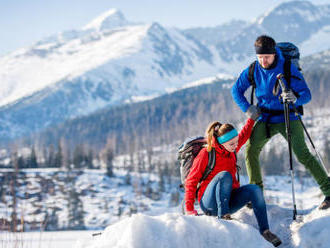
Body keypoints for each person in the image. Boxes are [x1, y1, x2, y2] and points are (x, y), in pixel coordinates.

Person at [231, 35, 330, 210]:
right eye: (260, 57)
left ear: (274, 54)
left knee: (303, 155)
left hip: (288, 117)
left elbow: (307, 94)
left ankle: (328, 192)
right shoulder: (253, 69)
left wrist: (295, 98)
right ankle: (256, 195)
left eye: (267, 57)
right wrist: (247, 108)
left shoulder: (287, 67)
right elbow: (236, 90)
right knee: (251, 151)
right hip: (265, 118)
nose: (263, 61)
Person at [184, 116, 282, 247]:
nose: (236, 146)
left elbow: (244, 135)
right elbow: (191, 181)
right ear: (220, 142)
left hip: (228, 199)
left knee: (255, 189)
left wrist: (252, 119)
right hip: (209, 204)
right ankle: (224, 218)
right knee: (224, 175)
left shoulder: (231, 148)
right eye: (232, 144)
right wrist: (189, 208)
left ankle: (265, 231)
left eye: (236, 143)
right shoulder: (206, 153)